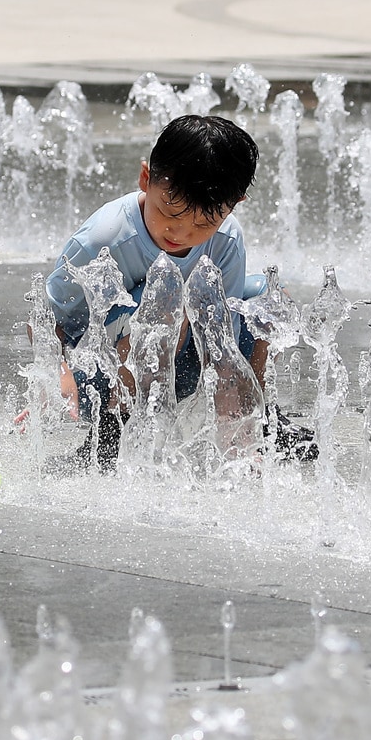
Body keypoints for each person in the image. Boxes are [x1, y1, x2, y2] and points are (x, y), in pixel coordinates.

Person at [44, 113, 314, 472]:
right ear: (145, 179)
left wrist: (234, 437)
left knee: (270, 298)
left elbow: (223, 341)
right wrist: (54, 375)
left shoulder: (227, 238)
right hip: (97, 379)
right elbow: (46, 316)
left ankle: (258, 417)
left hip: (178, 362)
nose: (181, 233)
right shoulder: (104, 237)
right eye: (169, 212)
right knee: (168, 295)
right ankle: (111, 436)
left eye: (203, 224)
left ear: (236, 204)